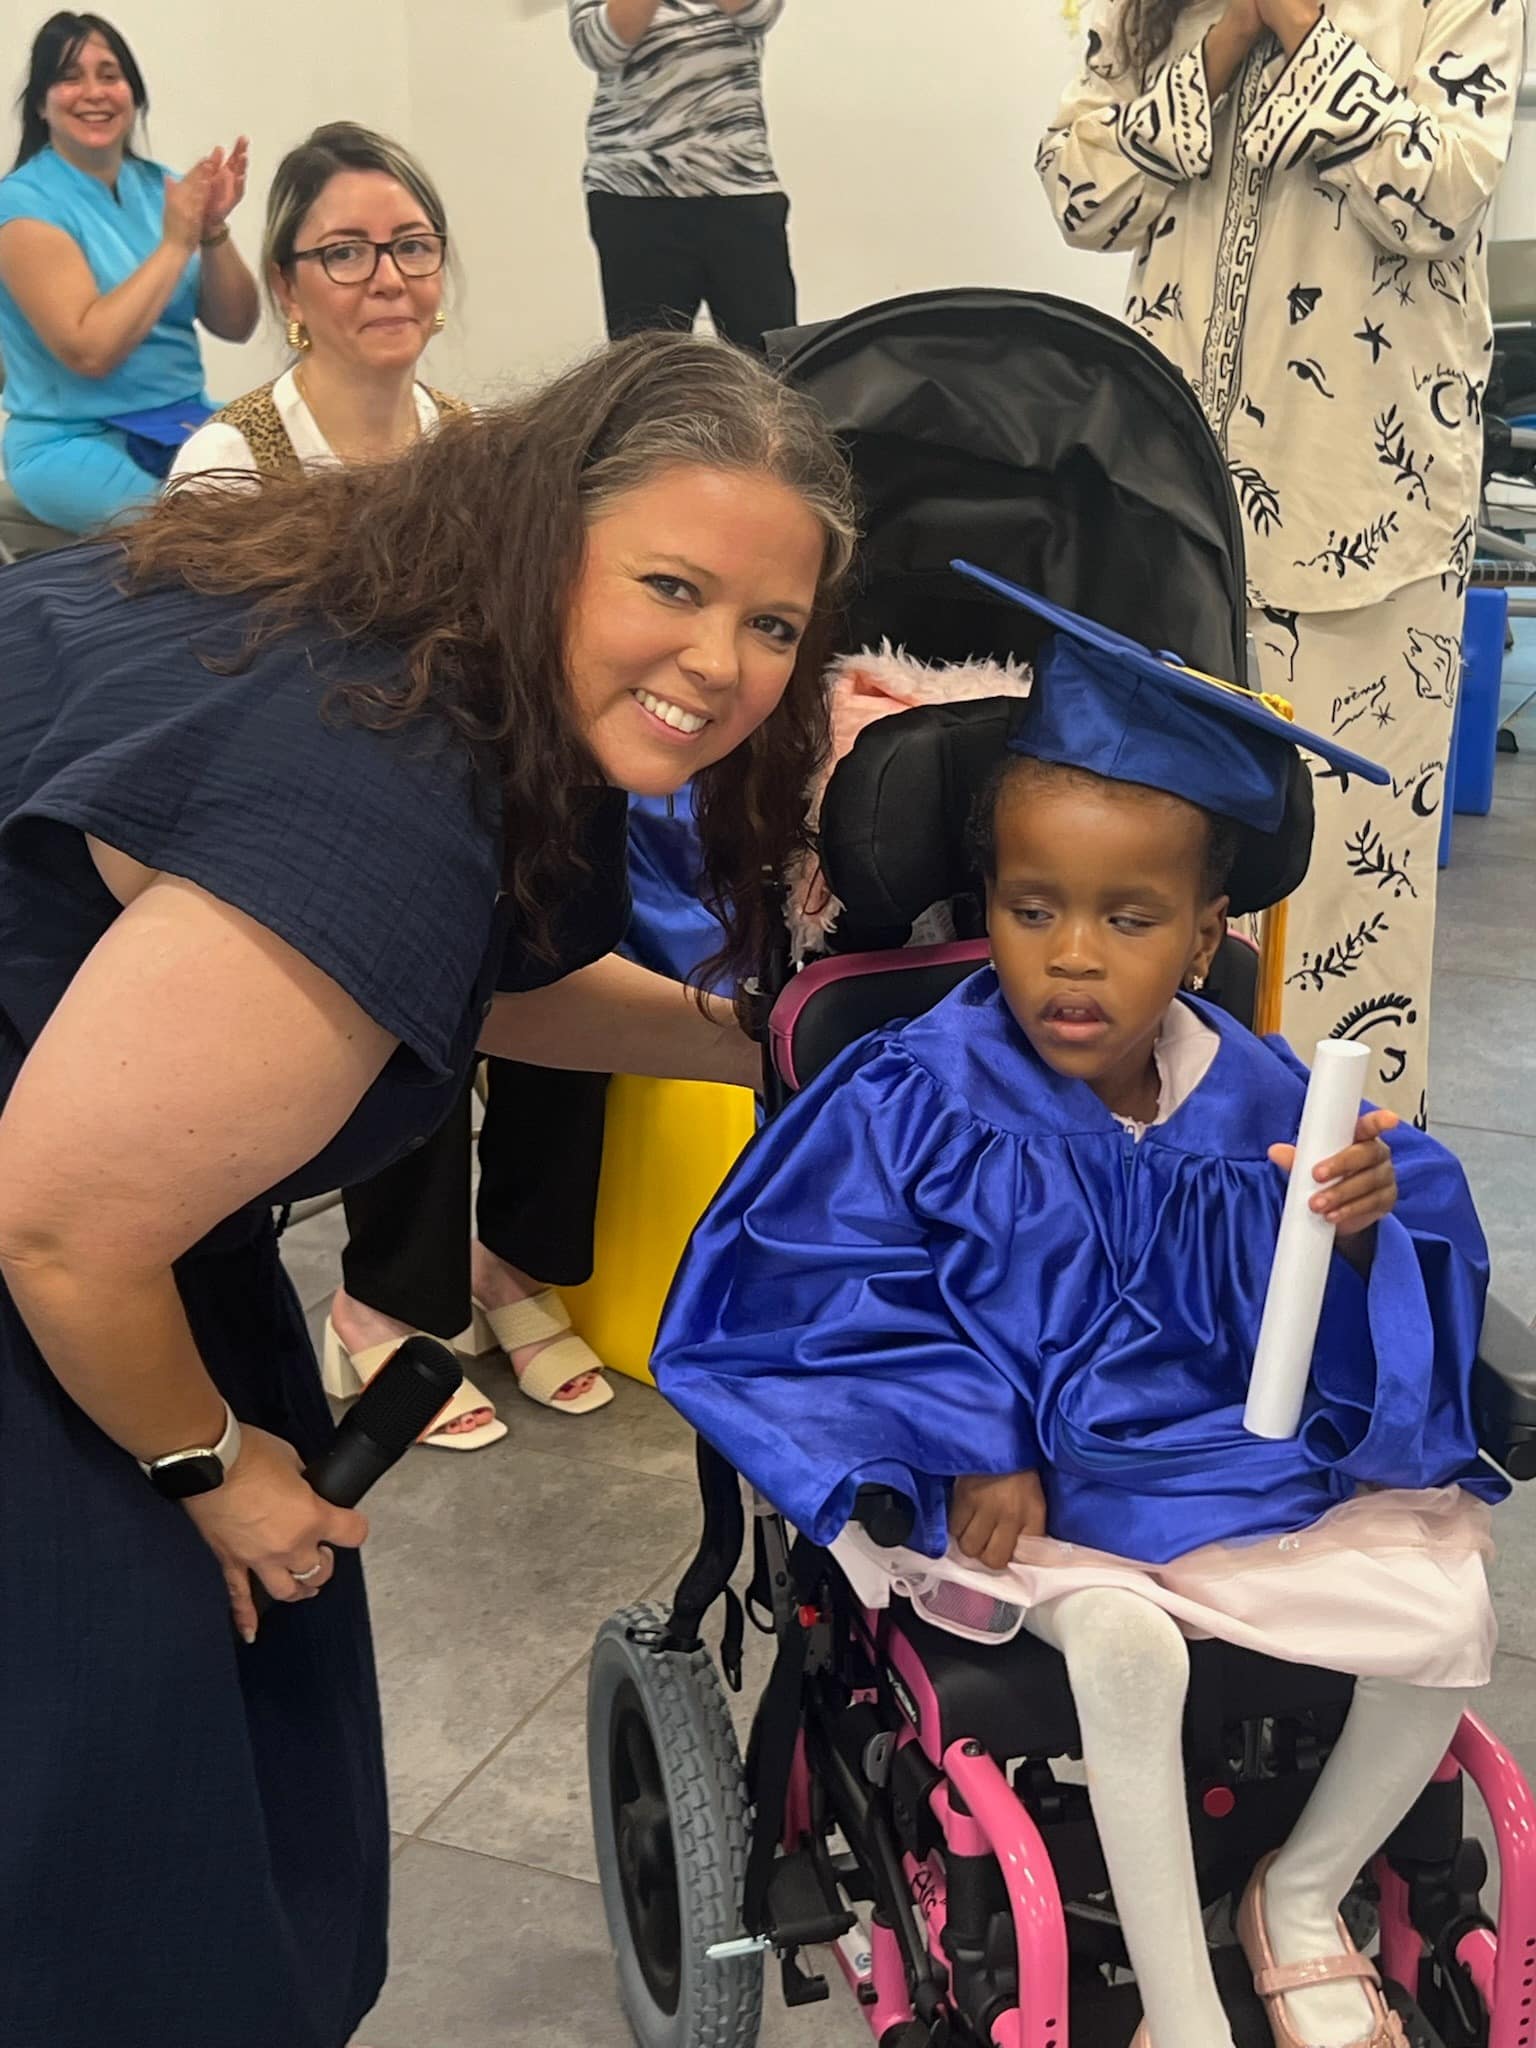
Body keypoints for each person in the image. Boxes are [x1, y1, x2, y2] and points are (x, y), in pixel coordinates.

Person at [0, 331, 855, 2048]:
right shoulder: (374, 780)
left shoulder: (443, 657)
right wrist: (209, 1460)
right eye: (673, 588)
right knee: (126, 1822)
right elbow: (65, 1230)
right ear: (548, 533)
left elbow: (436, 971)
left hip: (104, 1200)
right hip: (59, 1241)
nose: (723, 664)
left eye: (772, 623)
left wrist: (772, 1032)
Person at [653, 586, 1502, 2048]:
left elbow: (1382, 1287)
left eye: (1130, 918)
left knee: (1450, 1605)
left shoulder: (1268, 1106)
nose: (1074, 958)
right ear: (985, 902)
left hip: (1220, 1474)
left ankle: (1299, 1898)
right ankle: (1183, 2016)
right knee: (1124, 1649)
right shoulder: (916, 1096)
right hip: (1017, 1507)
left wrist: (1366, 1230)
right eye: (1031, 909)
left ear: (1205, 932)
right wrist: (971, 1434)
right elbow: (816, 1289)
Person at [1038, 0, 1525, 1127]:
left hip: (1364, 517)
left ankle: (1326, 1239)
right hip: (1165, 515)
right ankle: (1148, 1199)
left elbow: (1445, 199)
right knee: (1145, 880)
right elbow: (1081, 196)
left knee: (1350, 924)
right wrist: (1212, 49)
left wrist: (1304, 27)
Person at [0, 12, 258, 530]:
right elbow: (90, 351)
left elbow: (237, 325)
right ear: (41, 104)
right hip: (72, 440)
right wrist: (175, 242)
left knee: (310, 480)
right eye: (69, 77)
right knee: (210, 532)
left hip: (181, 417)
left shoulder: (163, 186)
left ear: (133, 95)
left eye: (109, 75)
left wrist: (211, 231)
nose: (93, 92)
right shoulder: (21, 205)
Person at [570, 0, 796, 352]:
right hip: (632, 192)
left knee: (769, 367)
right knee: (646, 376)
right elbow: (599, 47)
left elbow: (758, 13)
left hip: (739, 187)